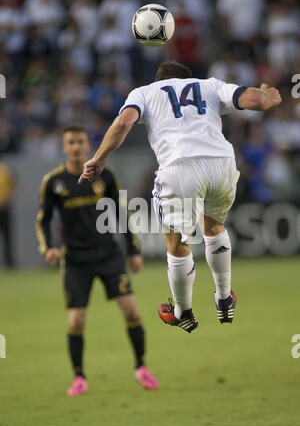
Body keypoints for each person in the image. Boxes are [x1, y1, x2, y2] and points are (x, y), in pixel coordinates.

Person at [78, 61, 282, 334]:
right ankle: (223, 296)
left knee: (177, 242)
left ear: (160, 79)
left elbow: (124, 122)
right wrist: (268, 96)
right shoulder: (210, 85)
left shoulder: (146, 91)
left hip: (180, 165)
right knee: (213, 227)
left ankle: (183, 311)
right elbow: (255, 100)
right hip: (221, 162)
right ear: (188, 78)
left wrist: (99, 158)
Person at [36, 124, 158, 396]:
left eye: (80, 141)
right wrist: (48, 249)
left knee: (131, 311)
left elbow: (121, 216)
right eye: (71, 142)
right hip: (76, 260)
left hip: (108, 255)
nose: (76, 146)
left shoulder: (106, 176)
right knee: (76, 321)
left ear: (87, 145)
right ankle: (79, 377)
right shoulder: (53, 182)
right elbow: (43, 221)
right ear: (64, 147)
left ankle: (141, 367)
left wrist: (133, 250)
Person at [0, 161, 16, 268]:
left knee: (7, 237)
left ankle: (9, 262)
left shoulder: (5, 170)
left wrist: (6, 200)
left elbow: (13, 186)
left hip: (4, 209)